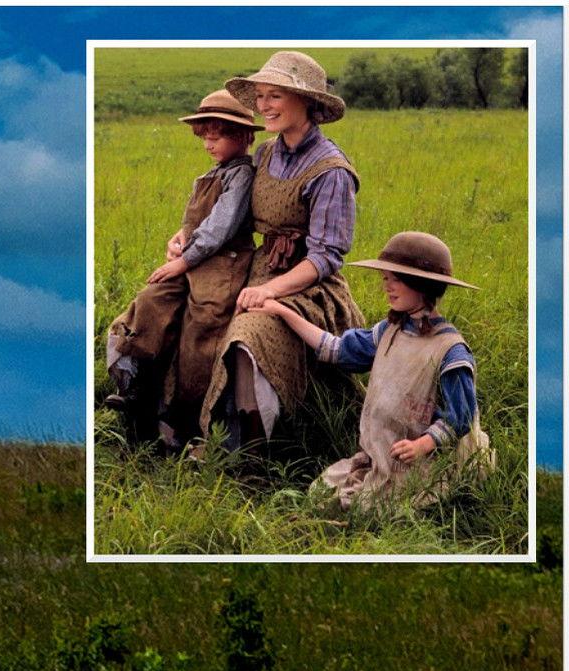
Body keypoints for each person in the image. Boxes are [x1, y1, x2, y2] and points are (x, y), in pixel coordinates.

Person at [194, 51, 365, 447]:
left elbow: (325, 257)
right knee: (195, 305)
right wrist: (185, 237)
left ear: (306, 101)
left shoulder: (331, 171)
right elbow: (233, 214)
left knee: (248, 332)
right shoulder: (266, 152)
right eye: (260, 96)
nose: (263, 106)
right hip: (257, 268)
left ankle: (247, 450)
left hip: (307, 286)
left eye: (275, 96)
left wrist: (270, 291)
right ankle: (174, 418)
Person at [250, 231, 493, 510]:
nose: (387, 287)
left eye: (397, 280)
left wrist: (423, 444)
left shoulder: (450, 350)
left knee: (367, 510)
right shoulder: (389, 332)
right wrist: (283, 312)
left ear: (422, 284)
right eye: (386, 279)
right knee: (320, 493)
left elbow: (460, 416)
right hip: (381, 454)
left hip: (424, 462)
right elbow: (337, 350)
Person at [105, 89, 262, 444]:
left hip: (224, 263)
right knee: (149, 303)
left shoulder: (242, 176)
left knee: (203, 328)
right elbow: (196, 223)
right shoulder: (211, 173)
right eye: (205, 136)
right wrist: (178, 239)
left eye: (217, 136)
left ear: (242, 136)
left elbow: (221, 226)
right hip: (193, 257)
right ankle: (138, 389)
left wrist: (184, 260)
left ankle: (193, 420)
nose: (209, 144)